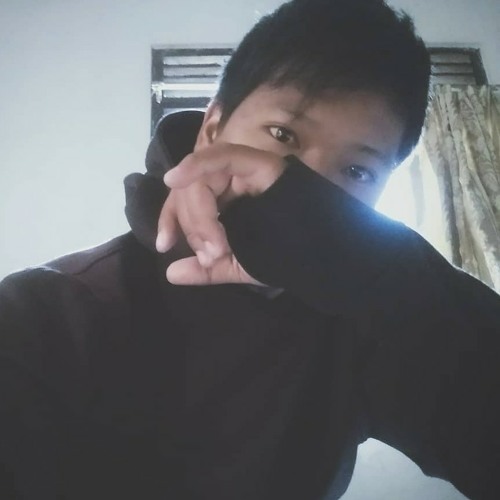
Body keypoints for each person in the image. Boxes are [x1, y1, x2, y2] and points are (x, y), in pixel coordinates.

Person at [1, 0, 499, 498]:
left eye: (357, 171)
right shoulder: (47, 313)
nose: (306, 192)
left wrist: (386, 272)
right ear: (212, 130)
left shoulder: (363, 322)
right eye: (283, 134)